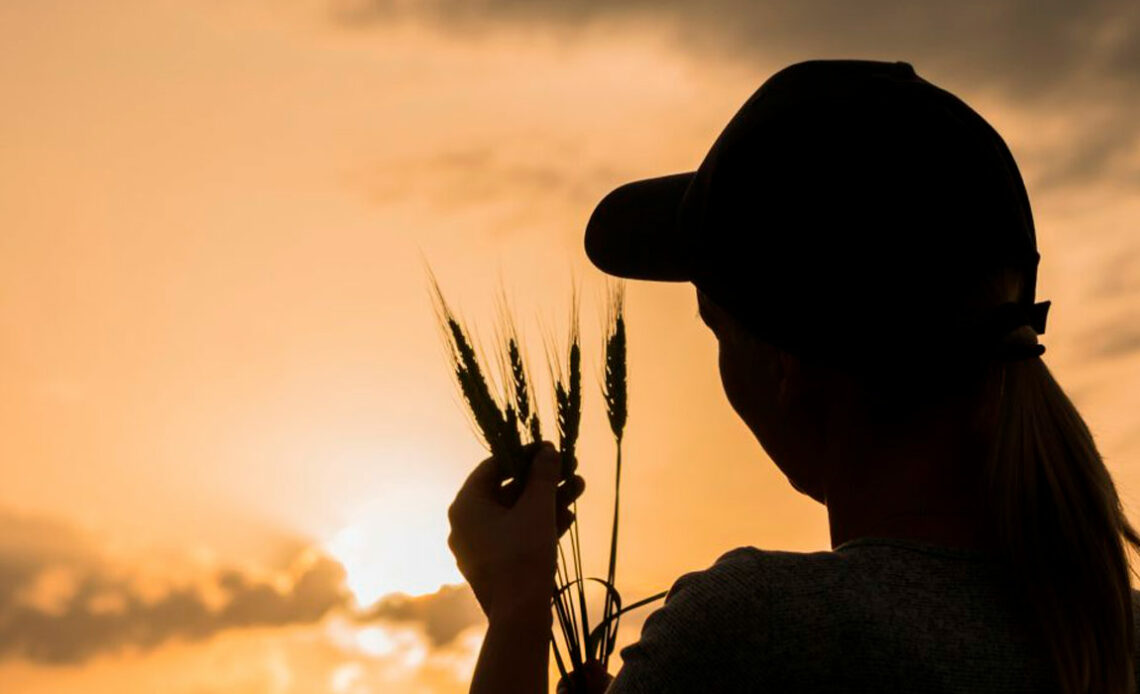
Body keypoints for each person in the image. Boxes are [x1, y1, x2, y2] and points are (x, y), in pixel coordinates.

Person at [446, 59, 1140, 693]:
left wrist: (515, 609)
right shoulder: (1114, 635)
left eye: (716, 325)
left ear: (786, 367)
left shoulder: (756, 632)